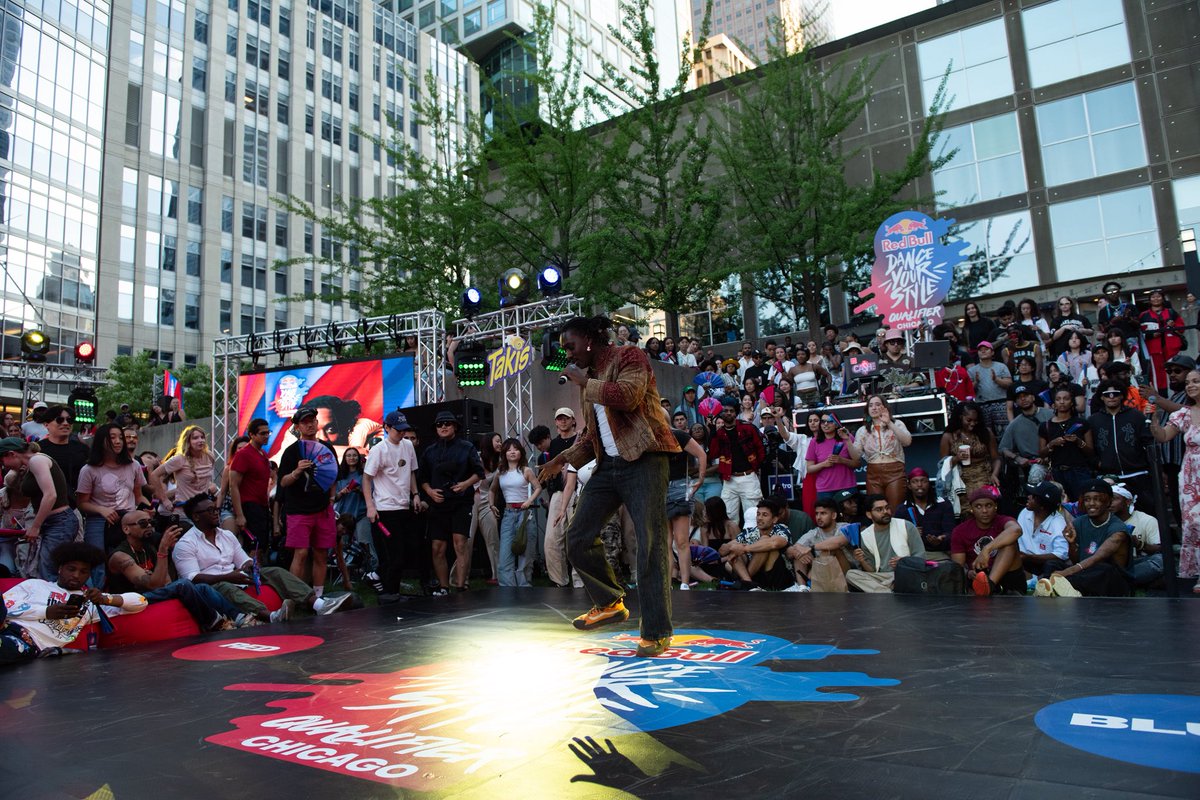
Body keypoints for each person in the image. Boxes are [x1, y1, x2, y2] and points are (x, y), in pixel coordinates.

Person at [537, 314, 681, 659]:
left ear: (589, 340)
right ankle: (609, 602)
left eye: (570, 347)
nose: (567, 354)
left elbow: (628, 396)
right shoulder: (589, 379)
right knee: (578, 536)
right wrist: (564, 459)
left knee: (649, 545)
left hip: (645, 458)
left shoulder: (629, 356)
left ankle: (657, 631)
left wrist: (584, 382)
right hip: (610, 465)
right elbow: (594, 434)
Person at [172, 493, 347, 620]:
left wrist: (249, 565)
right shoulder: (186, 544)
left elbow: (243, 560)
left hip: (236, 577)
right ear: (196, 516)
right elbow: (192, 579)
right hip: (212, 587)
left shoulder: (226, 535)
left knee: (275, 571)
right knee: (224, 585)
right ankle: (270, 616)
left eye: (216, 509)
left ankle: (319, 605)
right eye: (210, 510)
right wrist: (229, 576)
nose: (216, 513)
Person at [1, 542, 147, 664]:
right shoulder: (35, 585)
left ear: (89, 575)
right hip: (6, 626)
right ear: (60, 569)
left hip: (29, 643)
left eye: (83, 572)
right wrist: (46, 612)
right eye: (71, 569)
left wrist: (104, 599)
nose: (76, 575)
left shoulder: (91, 603)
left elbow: (141, 601)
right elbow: (6, 606)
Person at [107, 509, 253, 630]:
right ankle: (215, 623)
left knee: (201, 587)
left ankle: (241, 617)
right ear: (126, 529)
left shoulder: (149, 548)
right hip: (131, 600)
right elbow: (154, 585)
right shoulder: (120, 556)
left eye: (152, 522)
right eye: (143, 523)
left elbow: (166, 581)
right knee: (183, 584)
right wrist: (163, 550)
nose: (149, 526)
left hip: (150, 593)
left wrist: (155, 574)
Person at [277, 407, 345, 614]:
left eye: (312, 421)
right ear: (297, 427)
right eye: (304, 422)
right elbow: (284, 482)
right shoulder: (291, 452)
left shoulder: (327, 448)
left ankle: (319, 596)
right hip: (298, 510)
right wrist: (297, 471)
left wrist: (331, 499)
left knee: (321, 553)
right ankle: (295, 598)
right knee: (301, 553)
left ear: (317, 423)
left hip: (323, 510)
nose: (309, 424)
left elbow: (334, 475)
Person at [417, 411, 484, 596]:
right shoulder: (430, 451)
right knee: (437, 547)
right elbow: (421, 478)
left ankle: (461, 587)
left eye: (447, 423)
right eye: (440, 424)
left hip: (461, 502)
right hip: (438, 504)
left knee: (460, 544)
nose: (444, 427)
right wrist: (430, 492)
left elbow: (479, 472)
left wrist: (464, 484)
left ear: (455, 426)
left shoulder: (467, 447)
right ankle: (444, 588)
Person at [0, 438, 82, 584]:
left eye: (2, 460)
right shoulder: (33, 463)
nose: (4, 465)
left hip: (59, 521)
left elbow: (51, 495)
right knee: (41, 569)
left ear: (11, 454)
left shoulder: (36, 460)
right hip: (54, 522)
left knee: (47, 571)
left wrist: (35, 526)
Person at [1148, 368, 1200, 592]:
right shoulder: (1184, 413)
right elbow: (1163, 436)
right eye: (1188, 382)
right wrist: (1154, 420)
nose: (1190, 385)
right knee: (1194, 524)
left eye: (1196, 381)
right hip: (1190, 474)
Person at [361, 411, 422, 601]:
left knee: (409, 550)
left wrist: (416, 494)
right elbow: (366, 478)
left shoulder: (408, 446)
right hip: (385, 509)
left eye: (404, 430)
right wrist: (370, 506)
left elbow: (411, 472)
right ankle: (389, 593)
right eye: (398, 430)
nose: (402, 434)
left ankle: (388, 587)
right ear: (387, 428)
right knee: (394, 554)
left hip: (404, 506)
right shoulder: (379, 450)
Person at [1046, 480, 1132, 597]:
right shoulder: (1079, 522)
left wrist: (1065, 573)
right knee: (1052, 564)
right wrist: (1071, 544)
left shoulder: (1118, 529)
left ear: (1108, 502)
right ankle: (1054, 587)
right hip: (1085, 571)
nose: (1091, 503)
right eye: (1087, 499)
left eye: (1097, 499)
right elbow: (1077, 561)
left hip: (1112, 581)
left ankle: (1058, 588)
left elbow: (1097, 558)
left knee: (1103, 569)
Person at [76, 423, 147, 556]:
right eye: (112, 437)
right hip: (99, 521)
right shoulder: (89, 470)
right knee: (98, 564)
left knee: (131, 559)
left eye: (120, 437)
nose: (118, 441)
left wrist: (148, 508)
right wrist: (101, 509)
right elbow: (82, 503)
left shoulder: (134, 465)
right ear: (100, 441)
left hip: (129, 520)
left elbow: (138, 496)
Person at [1088, 379, 1155, 513]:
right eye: (1107, 394)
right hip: (1109, 477)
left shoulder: (1136, 416)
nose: (1111, 397)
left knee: (1146, 512)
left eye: (1115, 394)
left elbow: (1147, 442)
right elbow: (1090, 448)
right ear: (1101, 397)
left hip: (1138, 474)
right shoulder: (1093, 420)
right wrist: (1098, 463)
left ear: (1122, 395)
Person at [950, 488, 1024, 596]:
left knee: (1009, 544)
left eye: (988, 505)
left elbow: (1016, 530)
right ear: (971, 509)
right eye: (978, 506)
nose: (984, 511)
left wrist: (986, 549)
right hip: (979, 578)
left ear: (995, 506)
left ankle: (989, 586)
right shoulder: (960, 531)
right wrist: (968, 573)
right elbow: (958, 567)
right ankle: (987, 586)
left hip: (1009, 579)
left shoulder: (1003, 520)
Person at [844, 494, 924, 593]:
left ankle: (881, 590)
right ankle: (887, 592)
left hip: (905, 572)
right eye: (879, 510)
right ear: (869, 514)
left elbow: (921, 557)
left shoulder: (906, 526)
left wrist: (904, 562)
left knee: (905, 575)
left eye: (887, 508)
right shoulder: (865, 536)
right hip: (882, 577)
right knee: (851, 575)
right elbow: (872, 570)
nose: (885, 512)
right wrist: (862, 561)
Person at [490, 438, 542, 588]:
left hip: (525, 514)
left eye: (516, 449)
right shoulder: (500, 472)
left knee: (525, 552)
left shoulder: (526, 470)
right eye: (509, 450)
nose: (512, 452)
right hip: (508, 513)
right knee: (505, 552)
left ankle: (524, 587)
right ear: (504, 453)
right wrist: (491, 505)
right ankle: (508, 589)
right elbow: (492, 490)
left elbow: (538, 487)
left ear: (521, 452)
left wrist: (530, 500)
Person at [709, 400, 766, 527]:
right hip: (729, 480)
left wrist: (757, 465)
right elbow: (713, 453)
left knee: (753, 515)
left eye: (731, 411)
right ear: (721, 414)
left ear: (736, 413)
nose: (728, 413)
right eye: (725, 411)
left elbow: (760, 448)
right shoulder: (719, 433)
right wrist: (712, 430)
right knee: (728, 517)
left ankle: (753, 545)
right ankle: (734, 545)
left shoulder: (748, 428)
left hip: (749, 477)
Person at [719, 497, 792, 590]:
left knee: (764, 543)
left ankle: (746, 584)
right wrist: (732, 548)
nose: (760, 518)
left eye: (765, 515)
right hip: (757, 575)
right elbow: (722, 551)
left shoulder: (781, 528)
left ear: (774, 519)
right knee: (735, 551)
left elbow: (775, 543)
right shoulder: (750, 532)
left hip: (778, 575)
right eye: (758, 514)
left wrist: (745, 548)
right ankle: (749, 583)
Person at [665, 423, 707, 588]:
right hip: (659, 487)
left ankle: (684, 582)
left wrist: (701, 479)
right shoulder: (650, 437)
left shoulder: (679, 435)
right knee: (666, 542)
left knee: (681, 540)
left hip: (679, 486)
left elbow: (701, 454)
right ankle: (668, 583)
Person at [854, 395, 911, 511]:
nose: (874, 408)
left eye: (877, 404)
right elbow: (856, 456)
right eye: (870, 405)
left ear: (885, 407)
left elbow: (907, 442)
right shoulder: (863, 430)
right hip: (873, 473)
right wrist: (846, 440)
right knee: (876, 510)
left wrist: (889, 423)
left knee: (895, 509)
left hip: (895, 471)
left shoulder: (897, 424)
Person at [1038, 387, 1095, 501]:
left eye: (1066, 399)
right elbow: (1041, 453)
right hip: (1057, 472)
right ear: (1054, 403)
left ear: (1072, 402)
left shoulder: (1082, 423)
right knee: (1061, 506)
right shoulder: (1046, 426)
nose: (1062, 402)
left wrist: (1078, 442)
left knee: (1082, 504)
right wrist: (1052, 444)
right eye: (1058, 399)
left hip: (1080, 472)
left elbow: (1091, 452)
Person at [784, 498, 853, 591]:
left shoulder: (845, 527)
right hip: (823, 573)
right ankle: (803, 587)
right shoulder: (813, 533)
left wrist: (811, 548)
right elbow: (790, 551)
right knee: (799, 553)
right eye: (817, 514)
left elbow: (838, 542)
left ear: (834, 515)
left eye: (823, 513)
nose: (818, 517)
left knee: (830, 549)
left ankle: (814, 581)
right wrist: (798, 550)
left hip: (848, 573)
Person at [228, 419, 274, 552]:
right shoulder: (243, 455)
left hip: (262, 507)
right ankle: (251, 573)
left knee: (262, 547)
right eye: (262, 433)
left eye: (268, 433)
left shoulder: (263, 455)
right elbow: (233, 486)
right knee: (254, 548)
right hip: (249, 506)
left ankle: (257, 572)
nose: (266, 436)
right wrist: (240, 515)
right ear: (252, 435)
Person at [940, 401, 1000, 503]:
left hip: (984, 476)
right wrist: (956, 458)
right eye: (969, 420)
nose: (972, 424)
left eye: (975, 421)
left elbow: (996, 459)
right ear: (960, 417)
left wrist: (994, 474)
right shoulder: (949, 436)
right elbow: (943, 465)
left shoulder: (986, 433)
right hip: (961, 481)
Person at [1016, 480, 1071, 579]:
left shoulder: (1058, 524)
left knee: (1052, 565)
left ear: (1042, 506)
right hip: (1023, 561)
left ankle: (1037, 582)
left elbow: (1061, 554)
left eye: (1033, 496)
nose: (1028, 497)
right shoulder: (1024, 513)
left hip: (1043, 564)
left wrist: (1030, 557)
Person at [1110, 484, 1162, 588]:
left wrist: (1138, 544)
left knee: (1161, 560)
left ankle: (1119, 582)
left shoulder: (1147, 520)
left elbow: (1159, 548)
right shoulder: (1103, 520)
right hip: (1113, 564)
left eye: (1115, 499)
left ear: (1128, 501)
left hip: (1137, 562)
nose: (1109, 503)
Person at [34, 406, 89, 504]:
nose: (65, 423)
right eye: (59, 420)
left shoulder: (82, 449)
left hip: (75, 505)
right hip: (44, 504)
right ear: (46, 424)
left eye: (69, 420)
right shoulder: (38, 450)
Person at [154, 425, 218, 507]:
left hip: (203, 510)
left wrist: (211, 485)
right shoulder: (180, 459)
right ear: (187, 441)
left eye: (202, 437)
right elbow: (154, 475)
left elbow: (203, 479)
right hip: (184, 509)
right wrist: (165, 500)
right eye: (195, 438)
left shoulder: (210, 456)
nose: (201, 440)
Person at [897, 468, 956, 554]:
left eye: (923, 481)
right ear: (909, 486)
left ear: (929, 483)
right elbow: (897, 537)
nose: (919, 484)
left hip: (940, 553)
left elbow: (951, 532)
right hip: (912, 554)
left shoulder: (944, 504)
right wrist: (911, 534)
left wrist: (941, 539)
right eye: (915, 481)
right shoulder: (902, 509)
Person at [806, 413, 860, 502]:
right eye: (823, 422)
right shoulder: (814, 442)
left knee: (849, 515)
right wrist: (824, 464)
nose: (825, 424)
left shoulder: (847, 437)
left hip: (847, 487)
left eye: (829, 421)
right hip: (825, 489)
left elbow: (858, 463)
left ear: (836, 424)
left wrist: (842, 460)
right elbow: (809, 469)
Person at [472, 432, 504, 585]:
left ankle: (497, 576)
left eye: (501, 441)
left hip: (487, 503)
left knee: (493, 539)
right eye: (497, 441)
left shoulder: (501, 462)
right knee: (467, 540)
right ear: (488, 442)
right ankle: (459, 578)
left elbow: (495, 489)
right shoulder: (476, 458)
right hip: (471, 501)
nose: (500, 444)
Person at [1139, 288, 1185, 391]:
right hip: (1154, 350)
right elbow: (1140, 334)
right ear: (1150, 299)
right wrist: (1152, 335)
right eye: (1153, 297)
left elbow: (1181, 328)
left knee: (1176, 371)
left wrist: (1173, 326)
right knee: (1158, 375)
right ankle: (1160, 397)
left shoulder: (1171, 312)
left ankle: (1179, 392)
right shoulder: (1143, 315)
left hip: (1172, 349)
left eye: (1159, 296)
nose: (1156, 299)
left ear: (1163, 298)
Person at [967, 341, 1013, 437]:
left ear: (992, 352)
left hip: (1001, 403)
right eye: (980, 350)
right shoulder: (972, 370)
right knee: (985, 433)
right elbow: (968, 390)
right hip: (982, 405)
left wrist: (997, 380)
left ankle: (1004, 450)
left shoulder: (1001, 366)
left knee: (1004, 434)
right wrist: (976, 382)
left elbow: (1009, 384)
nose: (983, 352)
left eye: (986, 349)